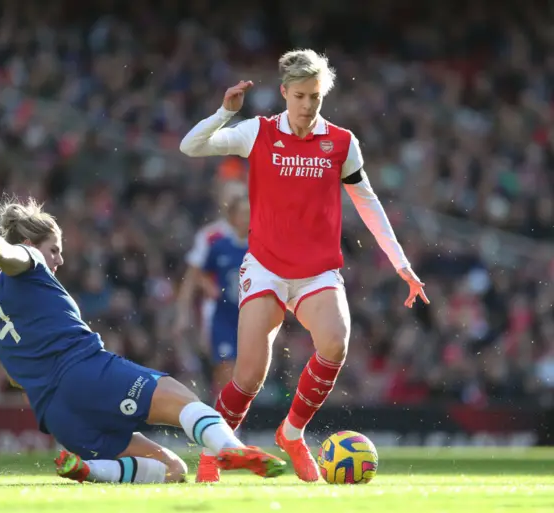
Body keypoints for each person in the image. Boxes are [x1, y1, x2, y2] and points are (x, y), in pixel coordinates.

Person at [180, 48, 430, 483]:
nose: (307, 105)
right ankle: (211, 454)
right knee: (249, 377)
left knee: (335, 342)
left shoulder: (341, 142)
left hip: (317, 271)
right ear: (284, 93)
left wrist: (401, 263)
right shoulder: (255, 132)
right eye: (299, 96)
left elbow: (367, 203)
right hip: (265, 269)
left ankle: (291, 433)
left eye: (315, 96)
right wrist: (225, 111)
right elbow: (190, 145)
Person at [0, 196, 285, 485]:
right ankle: (232, 449)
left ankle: (92, 470)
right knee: (186, 401)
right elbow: (9, 254)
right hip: (87, 373)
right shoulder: (30, 260)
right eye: (54, 250)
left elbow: (15, 377)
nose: (58, 260)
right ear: (32, 243)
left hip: (57, 415)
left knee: (172, 469)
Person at [199, 196, 250, 395]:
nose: (246, 218)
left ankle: (236, 415)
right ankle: (226, 414)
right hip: (224, 316)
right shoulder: (219, 246)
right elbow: (202, 272)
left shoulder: (258, 248)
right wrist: (209, 286)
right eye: (243, 213)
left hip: (249, 317)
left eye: (250, 214)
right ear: (232, 217)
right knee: (225, 365)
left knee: (246, 369)